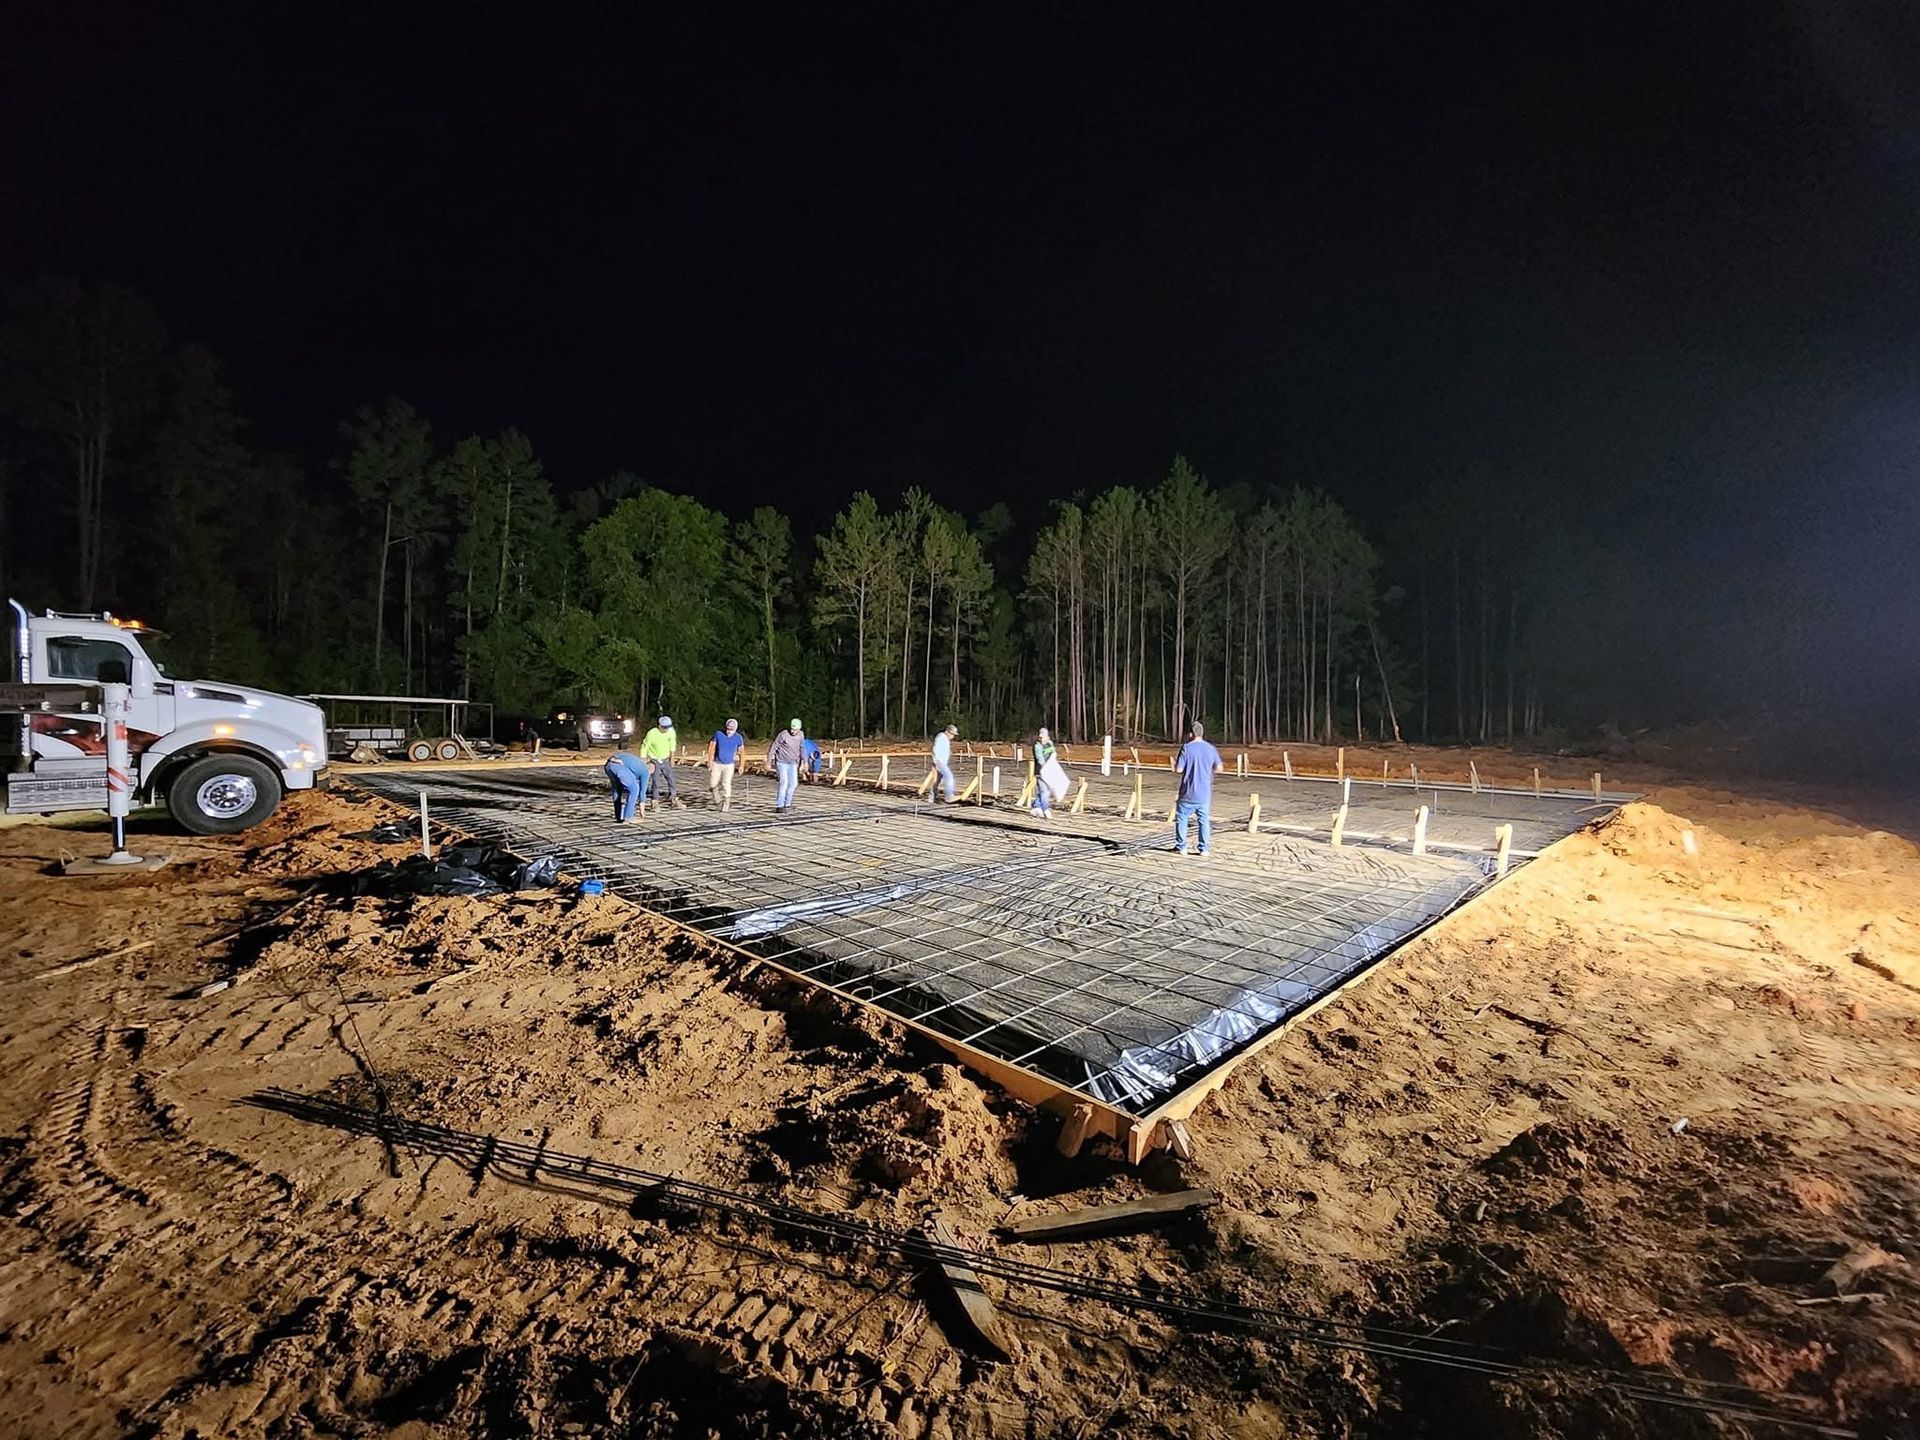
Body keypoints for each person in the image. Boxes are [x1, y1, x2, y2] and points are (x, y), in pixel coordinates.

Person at [1173, 719, 1225, 856]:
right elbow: (1219, 768)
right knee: (1203, 821)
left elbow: (1179, 769)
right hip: (1204, 793)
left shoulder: (1186, 748)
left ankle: (1182, 846)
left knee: (1182, 818)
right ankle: (1204, 848)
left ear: (1190, 734)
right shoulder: (1210, 748)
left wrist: (1174, 765)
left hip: (1187, 792)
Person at [640, 715, 684, 809]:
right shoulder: (652, 733)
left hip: (665, 759)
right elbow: (645, 746)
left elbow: (672, 744)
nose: (666, 729)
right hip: (654, 759)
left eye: (668, 727)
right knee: (656, 781)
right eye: (664, 728)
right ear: (659, 726)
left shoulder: (671, 732)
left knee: (671, 779)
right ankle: (655, 800)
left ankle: (673, 798)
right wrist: (643, 759)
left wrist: (672, 758)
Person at [706, 717, 747, 811]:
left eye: (731, 730)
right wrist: (710, 760)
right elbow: (712, 746)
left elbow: (742, 752)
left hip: (729, 765)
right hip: (717, 762)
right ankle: (717, 800)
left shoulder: (738, 738)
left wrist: (741, 765)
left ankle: (726, 802)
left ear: (735, 729)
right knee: (713, 784)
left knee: (726, 783)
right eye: (728, 729)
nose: (729, 731)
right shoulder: (718, 734)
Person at [767, 718, 807, 811]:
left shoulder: (801, 735)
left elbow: (802, 748)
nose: (793, 731)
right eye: (792, 729)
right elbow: (774, 747)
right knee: (784, 782)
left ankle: (787, 804)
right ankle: (780, 805)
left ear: (799, 729)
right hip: (782, 762)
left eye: (795, 730)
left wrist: (805, 762)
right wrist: (769, 761)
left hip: (793, 763)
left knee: (793, 783)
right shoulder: (783, 735)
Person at [604, 749, 649, 824]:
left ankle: (618, 816)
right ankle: (628, 817)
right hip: (618, 766)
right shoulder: (646, 772)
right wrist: (642, 811)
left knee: (617, 789)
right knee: (634, 789)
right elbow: (642, 792)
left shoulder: (638, 763)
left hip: (608, 765)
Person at [1031, 726, 1059, 816]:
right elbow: (1040, 760)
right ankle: (1045, 808)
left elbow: (1053, 751)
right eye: (1040, 737)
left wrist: (1053, 755)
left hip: (1049, 771)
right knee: (1044, 791)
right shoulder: (1037, 746)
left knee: (1046, 791)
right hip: (1040, 772)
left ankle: (1036, 806)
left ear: (1047, 737)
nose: (1042, 739)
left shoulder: (1049, 743)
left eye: (1043, 737)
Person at [929, 723, 959, 802]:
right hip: (939, 762)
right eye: (952, 735)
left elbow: (943, 749)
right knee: (949, 777)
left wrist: (948, 752)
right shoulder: (941, 737)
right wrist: (937, 760)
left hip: (941, 762)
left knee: (936, 781)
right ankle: (949, 796)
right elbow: (935, 749)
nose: (953, 737)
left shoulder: (944, 739)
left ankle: (931, 798)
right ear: (948, 732)